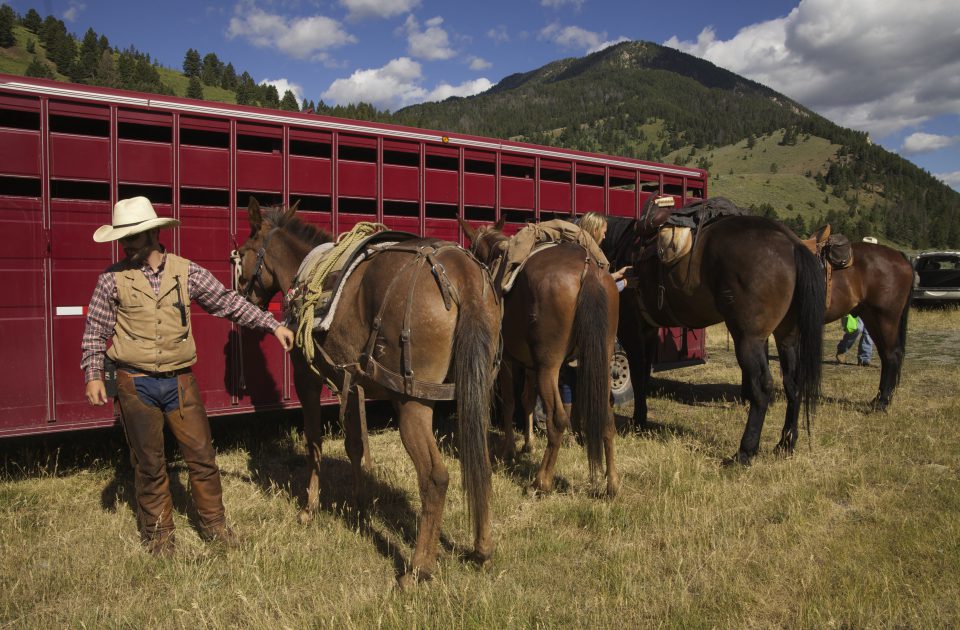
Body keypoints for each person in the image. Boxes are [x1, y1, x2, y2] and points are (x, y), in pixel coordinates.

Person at [81, 196, 294, 557]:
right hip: (135, 383)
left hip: (179, 381)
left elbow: (228, 302)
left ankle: (215, 527)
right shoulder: (111, 280)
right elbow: (94, 329)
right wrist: (93, 374)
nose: (124, 245)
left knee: (202, 457)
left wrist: (272, 325)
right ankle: (160, 537)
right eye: (122, 238)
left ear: (151, 234)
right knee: (149, 464)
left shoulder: (187, 271)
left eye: (131, 237)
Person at [558, 212, 631, 425]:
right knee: (585, 375)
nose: (606, 237)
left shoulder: (574, 251)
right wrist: (623, 284)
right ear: (595, 230)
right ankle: (584, 423)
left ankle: (570, 424)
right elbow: (598, 291)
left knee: (568, 373)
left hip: (570, 321)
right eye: (604, 231)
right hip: (587, 323)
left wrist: (615, 275)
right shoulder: (593, 254)